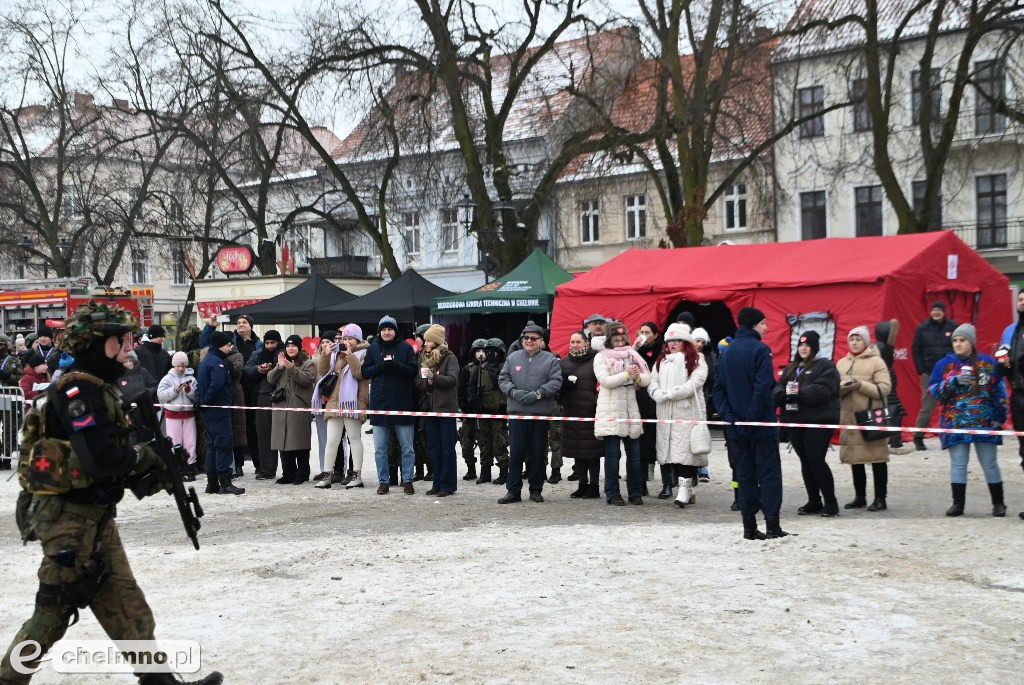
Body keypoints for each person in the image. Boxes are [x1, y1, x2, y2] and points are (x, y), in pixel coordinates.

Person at [0, 301, 223, 685]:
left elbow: (110, 465)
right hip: (67, 521)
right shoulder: (78, 394)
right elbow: (100, 459)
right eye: (122, 341)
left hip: (95, 516)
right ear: (97, 343)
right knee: (51, 615)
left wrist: (151, 466)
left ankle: (160, 682)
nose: (129, 348)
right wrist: (144, 456)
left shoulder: (98, 389)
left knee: (127, 605)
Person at [713, 306, 788, 540]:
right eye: (764, 323)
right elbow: (763, 387)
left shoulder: (726, 353)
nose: (766, 328)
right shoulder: (761, 350)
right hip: (761, 426)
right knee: (769, 474)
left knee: (744, 475)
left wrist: (730, 418)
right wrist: (751, 419)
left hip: (735, 429)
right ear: (755, 324)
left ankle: (749, 526)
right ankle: (773, 525)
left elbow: (718, 391)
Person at [929, 323, 1008, 517]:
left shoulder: (987, 363)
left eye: (962, 340)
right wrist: (951, 383)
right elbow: (933, 391)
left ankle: (998, 503)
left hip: (984, 421)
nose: (958, 344)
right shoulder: (944, 365)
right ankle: (958, 504)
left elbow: (999, 391)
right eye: (955, 340)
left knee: (989, 463)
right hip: (955, 423)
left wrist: (999, 416)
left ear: (971, 342)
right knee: (958, 463)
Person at [773, 331, 841, 517]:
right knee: (805, 461)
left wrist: (797, 393)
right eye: (800, 345)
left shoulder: (825, 366)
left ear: (814, 347)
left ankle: (831, 502)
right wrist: (781, 393)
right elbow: (779, 385)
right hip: (795, 420)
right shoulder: (791, 368)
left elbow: (824, 389)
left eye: (807, 345)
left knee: (816, 460)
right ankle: (814, 500)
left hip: (818, 420)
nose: (803, 348)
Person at [498, 323, 562, 503]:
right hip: (517, 413)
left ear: (541, 341)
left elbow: (556, 381)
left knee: (537, 453)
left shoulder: (550, 359)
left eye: (533, 338)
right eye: (526, 338)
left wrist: (538, 394)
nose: (529, 341)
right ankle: (513, 490)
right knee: (516, 453)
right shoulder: (513, 358)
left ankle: (536, 489)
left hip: (540, 413)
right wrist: (512, 392)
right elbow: (503, 378)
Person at [648, 322, 709, 509]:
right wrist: (656, 393)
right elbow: (652, 381)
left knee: (686, 453)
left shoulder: (697, 359)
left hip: (687, 412)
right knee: (670, 453)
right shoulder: (661, 361)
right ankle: (688, 489)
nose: (673, 344)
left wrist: (672, 393)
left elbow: (696, 382)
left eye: (677, 340)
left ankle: (684, 488)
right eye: (670, 341)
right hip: (665, 412)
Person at [593, 320, 651, 506]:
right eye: (616, 340)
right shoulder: (601, 357)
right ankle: (612, 493)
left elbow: (646, 379)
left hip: (630, 411)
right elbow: (605, 381)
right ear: (610, 341)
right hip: (610, 410)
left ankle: (635, 492)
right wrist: (626, 375)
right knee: (612, 455)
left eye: (622, 340)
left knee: (634, 455)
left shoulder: (632, 355)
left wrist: (638, 376)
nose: (619, 344)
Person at [360, 316, 419, 495]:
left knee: (407, 447)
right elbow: (364, 372)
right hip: (380, 403)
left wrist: (396, 366)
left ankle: (408, 480)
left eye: (390, 329)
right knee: (379, 448)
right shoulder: (373, 348)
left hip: (402, 403)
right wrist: (381, 367)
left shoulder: (406, 348)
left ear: (395, 331)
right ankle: (383, 481)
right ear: (380, 331)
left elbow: (413, 371)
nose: (386, 332)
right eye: (383, 329)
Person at [837, 325, 891, 512]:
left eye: (858, 339)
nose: (854, 342)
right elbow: (833, 388)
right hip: (849, 416)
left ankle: (880, 498)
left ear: (866, 341)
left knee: (877, 457)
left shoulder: (877, 362)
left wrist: (860, 385)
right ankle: (859, 496)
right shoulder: (842, 363)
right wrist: (843, 387)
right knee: (855, 457)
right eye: (851, 339)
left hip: (871, 415)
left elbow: (884, 389)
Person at [314, 325, 369, 490]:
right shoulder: (336, 355)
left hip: (353, 402)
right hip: (334, 402)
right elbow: (323, 371)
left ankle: (356, 475)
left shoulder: (364, 353)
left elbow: (360, 373)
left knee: (354, 438)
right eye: (344, 339)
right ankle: (327, 475)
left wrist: (351, 356)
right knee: (332, 440)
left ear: (358, 340)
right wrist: (325, 354)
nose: (346, 342)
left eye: (350, 339)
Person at [196, 332, 244, 495]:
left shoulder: (205, 361)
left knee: (212, 447)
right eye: (228, 345)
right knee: (223, 445)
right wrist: (206, 401)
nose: (230, 347)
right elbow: (216, 385)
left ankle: (212, 483)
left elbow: (200, 386)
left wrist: (202, 402)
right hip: (219, 410)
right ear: (220, 345)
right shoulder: (218, 363)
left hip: (210, 412)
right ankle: (225, 482)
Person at [415, 324, 460, 497]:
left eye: (428, 340)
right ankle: (438, 482)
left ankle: (448, 485)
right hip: (429, 408)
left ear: (436, 341)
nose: (425, 343)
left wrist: (434, 377)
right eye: (425, 340)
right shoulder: (423, 358)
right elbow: (418, 383)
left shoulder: (450, 358)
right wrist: (427, 381)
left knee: (447, 447)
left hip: (446, 409)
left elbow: (452, 379)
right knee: (433, 447)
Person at [268, 334, 316, 485]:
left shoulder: (309, 363)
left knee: (299, 440)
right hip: (281, 407)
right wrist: (279, 367)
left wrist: (291, 368)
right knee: (283, 440)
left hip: (298, 406)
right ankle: (288, 473)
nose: (290, 348)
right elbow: (270, 379)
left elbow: (306, 380)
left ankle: (302, 472)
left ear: (299, 347)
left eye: (293, 346)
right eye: (288, 346)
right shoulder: (282, 362)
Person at [560, 331, 603, 499]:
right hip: (572, 412)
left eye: (578, 341)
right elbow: (558, 389)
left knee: (592, 452)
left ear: (586, 343)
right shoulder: (564, 362)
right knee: (577, 450)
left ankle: (594, 486)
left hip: (591, 412)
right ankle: (582, 485)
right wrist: (565, 386)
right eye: (572, 342)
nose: (575, 345)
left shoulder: (596, 360)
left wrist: (594, 401)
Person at [911, 302, 957, 450]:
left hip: (949, 372)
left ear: (944, 312)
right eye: (934, 310)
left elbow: (958, 347)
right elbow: (915, 350)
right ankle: (918, 437)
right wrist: (921, 370)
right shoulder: (922, 328)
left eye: (939, 310)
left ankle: (951, 436)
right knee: (927, 406)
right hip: (929, 373)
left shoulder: (952, 327)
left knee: (951, 405)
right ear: (930, 312)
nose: (936, 312)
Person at [996, 291, 1024, 518]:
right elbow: (1003, 365)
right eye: (1020, 299)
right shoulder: (1010, 330)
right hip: (1018, 394)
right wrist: (1002, 363)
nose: (1022, 303)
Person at [244, 330, 283, 480]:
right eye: (267, 343)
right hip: (262, 396)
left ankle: (289, 470)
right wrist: (258, 370)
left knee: (284, 434)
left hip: (282, 397)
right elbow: (247, 370)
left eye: (272, 342)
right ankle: (267, 469)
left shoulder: (284, 353)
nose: (269, 345)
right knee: (263, 434)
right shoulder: (257, 354)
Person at [158, 351, 198, 480]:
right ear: (173, 365)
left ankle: (190, 468)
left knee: (190, 442)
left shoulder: (192, 378)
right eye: (178, 366)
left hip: (188, 414)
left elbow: (196, 396)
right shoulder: (167, 378)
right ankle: (178, 469)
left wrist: (188, 390)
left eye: (183, 366)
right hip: (172, 415)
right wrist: (175, 390)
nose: (181, 369)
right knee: (175, 442)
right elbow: (161, 395)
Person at [634, 321, 663, 494]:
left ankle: (668, 482)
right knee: (641, 442)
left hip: (658, 401)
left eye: (647, 332)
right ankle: (642, 482)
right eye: (641, 331)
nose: (644, 335)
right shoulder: (635, 352)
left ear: (655, 335)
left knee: (661, 441)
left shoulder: (663, 351)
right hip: (640, 400)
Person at [477, 338, 510, 484]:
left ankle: (504, 473)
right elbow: (472, 387)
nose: (490, 354)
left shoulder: (505, 367)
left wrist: (493, 365)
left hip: (499, 410)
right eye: (488, 351)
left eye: (493, 352)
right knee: (484, 444)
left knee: (500, 444)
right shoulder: (481, 368)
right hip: (484, 411)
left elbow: (499, 382)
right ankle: (485, 473)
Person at [457, 339, 489, 482]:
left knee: (484, 443)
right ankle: (471, 468)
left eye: (483, 351)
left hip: (484, 412)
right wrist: (465, 407)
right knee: (466, 443)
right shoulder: (467, 369)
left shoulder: (490, 369)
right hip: (469, 413)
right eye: (478, 351)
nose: (481, 354)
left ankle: (485, 471)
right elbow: (461, 390)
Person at [874, 319, 906, 449]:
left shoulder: (876, 346)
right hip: (887, 377)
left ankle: (892, 438)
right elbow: (892, 337)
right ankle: (895, 440)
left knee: (891, 409)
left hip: (885, 377)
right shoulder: (884, 347)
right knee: (895, 410)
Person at [225, 344, 248, 477]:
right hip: (223, 393)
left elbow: (236, 370)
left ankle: (239, 465)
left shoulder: (237, 355)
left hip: (235, 393)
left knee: (238, 430)